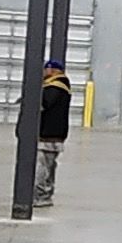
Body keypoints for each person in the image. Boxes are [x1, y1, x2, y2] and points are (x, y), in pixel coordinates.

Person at [36, 60, 71, 204]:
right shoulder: (59, 86)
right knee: (49, 164)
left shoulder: (55, 87)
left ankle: (42, 194)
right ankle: (45, 193)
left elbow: (44, 103)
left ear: (52, 70)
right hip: (54, 133)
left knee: (44, 165)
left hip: (49, 134)